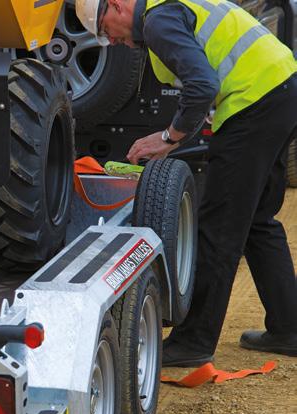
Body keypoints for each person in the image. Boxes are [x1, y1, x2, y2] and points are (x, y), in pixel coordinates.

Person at [75, 0, 297, 366]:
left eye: (104, 30)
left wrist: (168, 138)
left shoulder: (158, 21)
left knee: (219, 228)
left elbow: (203, 84)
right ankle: (288, 326)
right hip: (282, 86)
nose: (110, 42)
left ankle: (194, 341)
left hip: (254, 103)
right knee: (257, 219)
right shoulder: (165, 10)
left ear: (115, 6)